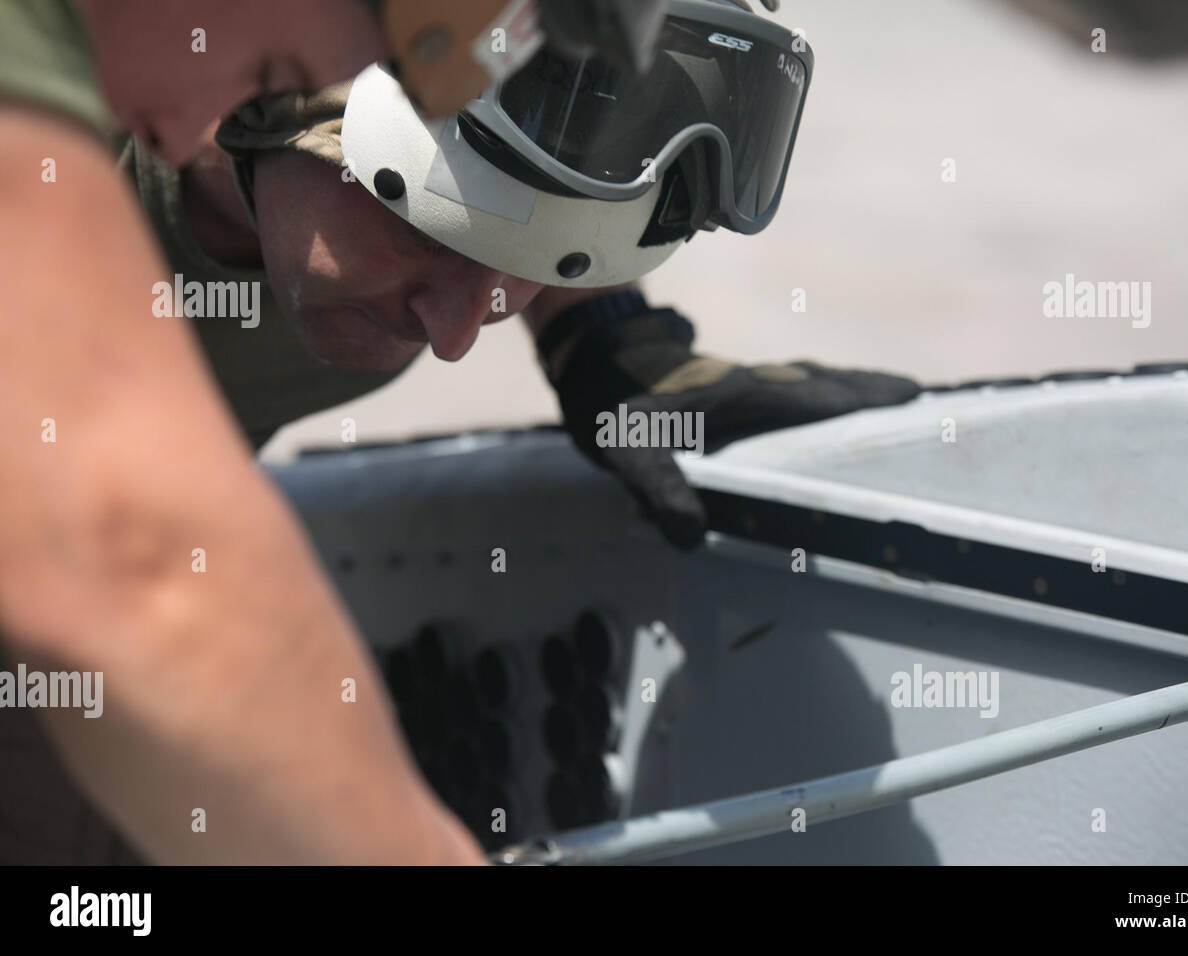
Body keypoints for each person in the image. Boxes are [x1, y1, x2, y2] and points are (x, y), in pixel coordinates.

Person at [1, 0, 917, 862]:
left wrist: (595, 331)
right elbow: (126, 554)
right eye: (443, 235)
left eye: (515, 268)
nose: (452, 334)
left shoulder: (333, 167)